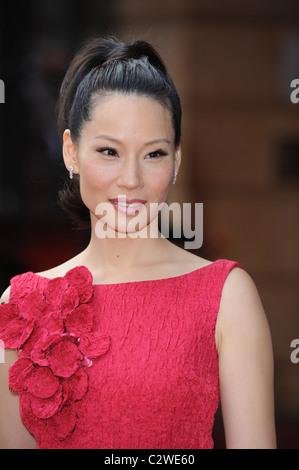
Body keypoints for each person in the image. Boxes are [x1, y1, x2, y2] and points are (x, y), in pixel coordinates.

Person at [0, 36, 276, 449]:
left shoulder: (226, 296)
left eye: (154, 154)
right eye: (109, 151)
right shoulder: (20, 306)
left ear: (176, 161)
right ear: (71, 152)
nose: (131, 179)